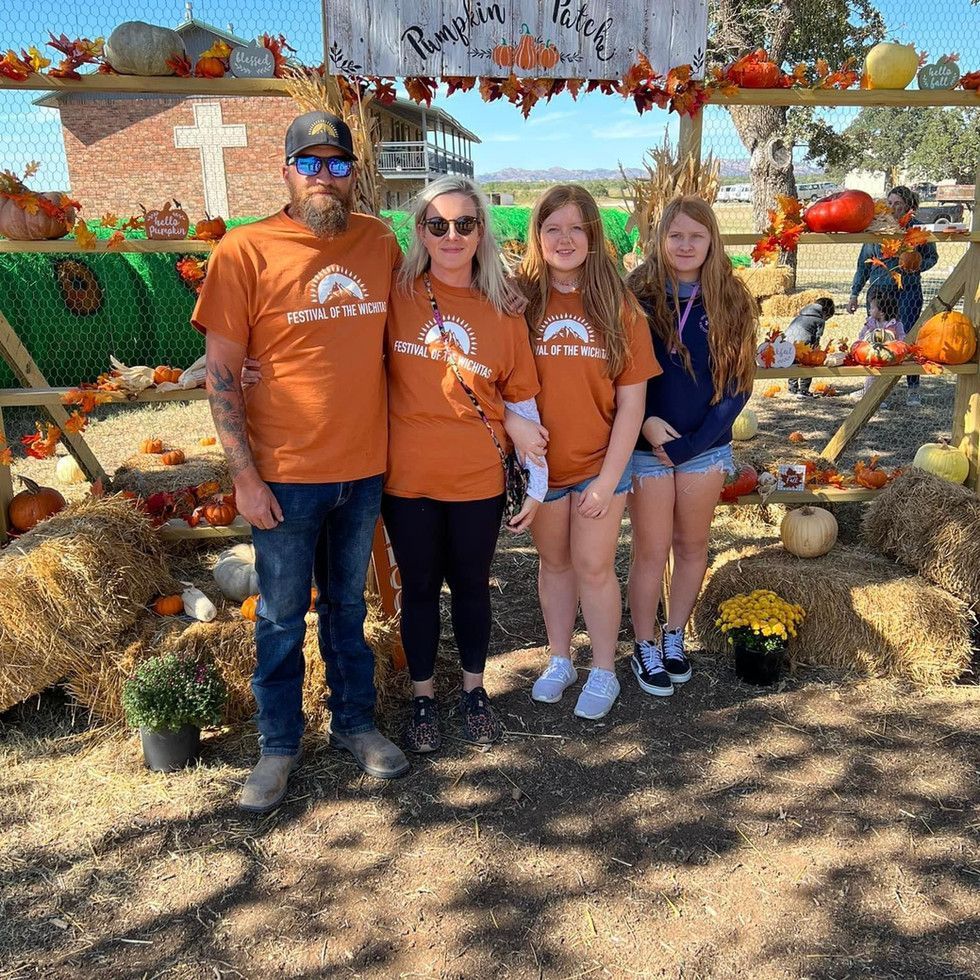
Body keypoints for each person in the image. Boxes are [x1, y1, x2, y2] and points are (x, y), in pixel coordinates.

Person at [193, 110, 410, 813]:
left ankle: (355, 724)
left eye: (338, 164)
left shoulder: (379, 242)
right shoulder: (245, 250)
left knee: (348, 607)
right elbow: (223, 372)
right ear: (285, 171)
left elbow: (416, 324)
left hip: (364, 468)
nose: (325, 177)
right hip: (283, 475)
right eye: (310, 164)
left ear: (354, 175)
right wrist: (244, 477)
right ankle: (278, 745)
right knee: (282, 617)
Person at [383, 174, 544, 753]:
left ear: (481, 233)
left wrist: (535, 472)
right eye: (438, 224)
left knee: (472, 585)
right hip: (408, 478)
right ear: (420, 232)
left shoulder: (503, 309)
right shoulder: (394, 295)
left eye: (465, 224)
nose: (451, 235)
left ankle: (475, 691)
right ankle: (423, 697)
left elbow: (521, 400)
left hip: (476, 475)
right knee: (421, 588)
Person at [514, 185, 660, 719]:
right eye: (552, 228)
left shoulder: (619, 308)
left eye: (576, 228)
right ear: (538, 236)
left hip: (601, 466)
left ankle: (603, 667)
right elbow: (496, 379)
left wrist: (607, 479)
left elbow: (632, 404)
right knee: (554, 565)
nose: (564, 238)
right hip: (542, 469)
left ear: (594, 236)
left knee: (594, 566)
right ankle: (559, 658)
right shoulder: (518, 301)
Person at [626, 196, 757, 697]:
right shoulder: (635, 293)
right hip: (646, 443)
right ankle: (643, 643)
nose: (685, 245)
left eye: (695, 237)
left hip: (705, 446)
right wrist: (644, 426)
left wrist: (698, 442)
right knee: (651, 549)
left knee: (692, 546)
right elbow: (614, 372)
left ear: (711, 241)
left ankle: (674, 636)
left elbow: (739, 384)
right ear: (660, 239)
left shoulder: (732, 299)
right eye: (675, 235)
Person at [847, 186, 939, 407]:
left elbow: (932, 258)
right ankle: (875, 388)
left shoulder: (917, 233)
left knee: (906, 337)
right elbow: (863, 265)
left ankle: (913, 388)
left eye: (897, 203)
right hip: (879, 292)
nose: (892, 207)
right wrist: (854, 293)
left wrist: (916, 267)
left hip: (908, 291)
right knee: (877, 339)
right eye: (889, 202)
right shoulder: (875, 232)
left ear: (908, 206)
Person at [848, 286, 905, 401]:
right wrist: (867, 336)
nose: (869, 310)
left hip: (890, 355)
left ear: (882, 312)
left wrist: (896, 344)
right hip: (872, 354)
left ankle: (878, 397)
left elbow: (902, 339)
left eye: (872, 307)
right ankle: (871, 395)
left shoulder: (896, 324)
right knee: (872, 375)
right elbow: (861, 337)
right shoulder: (870, 323)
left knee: (885, 377)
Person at [785, 297, 835, 398]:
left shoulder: (800, 316)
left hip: (788, 344)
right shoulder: (820, 320)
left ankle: (792, 389)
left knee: (794, 366)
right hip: (804, 344)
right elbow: (817, 338)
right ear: (824, 312)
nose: (826, 319)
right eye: (827, 317)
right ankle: (804, 389)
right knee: (808, 365)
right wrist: (815, 350)